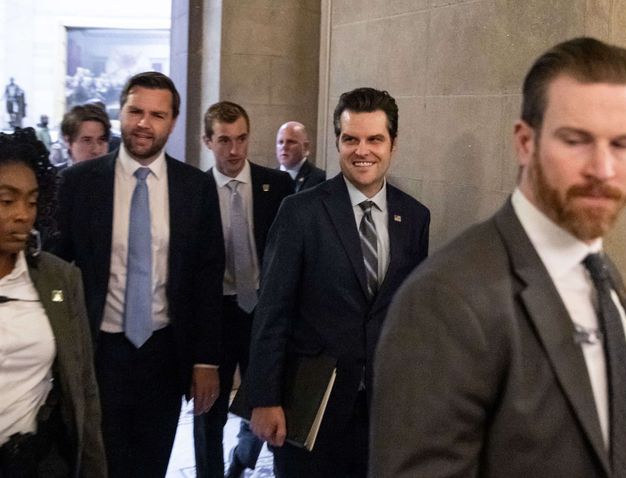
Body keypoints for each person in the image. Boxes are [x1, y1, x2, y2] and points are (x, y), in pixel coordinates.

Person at [369, 37, 626, 478]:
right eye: (576, 140)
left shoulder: (602, 274)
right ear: (525, 142)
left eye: (622, 144)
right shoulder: (443, 300)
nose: (603, 169)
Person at [246, 87, 431, 478]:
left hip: (382, 413)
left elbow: (413, 320)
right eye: (351, 139)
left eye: (374, 139)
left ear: (393, 144)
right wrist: (263, 398)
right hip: (311, 406)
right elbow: (272, 310)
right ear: (338, 143)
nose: (362, 150)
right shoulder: (300, 212)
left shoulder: (414, 218)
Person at [55, 72, 225, 478]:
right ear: (121, 113)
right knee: (99, 461)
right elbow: (56, 274)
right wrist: (59, 344)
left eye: (156, 115)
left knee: (151, 461)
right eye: (135, 111)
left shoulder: (195, 189)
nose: (144, 123)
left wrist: (206, 360)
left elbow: (207, 277)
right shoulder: (79, 183)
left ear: (173, 121)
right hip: (99, 352)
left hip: (164, 354)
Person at [193, 101, 293, 478]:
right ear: (207, 141)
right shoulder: (196, 191)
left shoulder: (278, 185)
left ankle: (242, 458)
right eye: (223, 141)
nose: (234, 151)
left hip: (262, 313)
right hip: (215, 316)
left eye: (241, 139)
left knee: (267, 400)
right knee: (208, 413)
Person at [0, 127, 106, 477]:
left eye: (31, 201)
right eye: (6, 200)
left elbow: (84, 389)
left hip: (36, 461)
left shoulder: (58, 279)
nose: (22, 214)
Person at [276, 121, 326, 192]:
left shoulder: (320, 179)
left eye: (291, 142)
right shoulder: (268, 178)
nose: (284, 147)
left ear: (305, 147)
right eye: (280, 142)